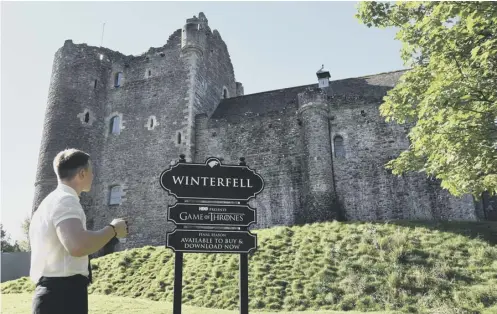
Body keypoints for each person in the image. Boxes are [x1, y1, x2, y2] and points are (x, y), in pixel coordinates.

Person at [29, 149, 128, 314]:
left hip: (55, 293)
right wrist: (113, 230)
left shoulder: (50, 202)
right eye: (91, 172)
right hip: (62, 296)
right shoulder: (66, 201)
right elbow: (77, 246)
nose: (93, 176)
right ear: (82, 173)